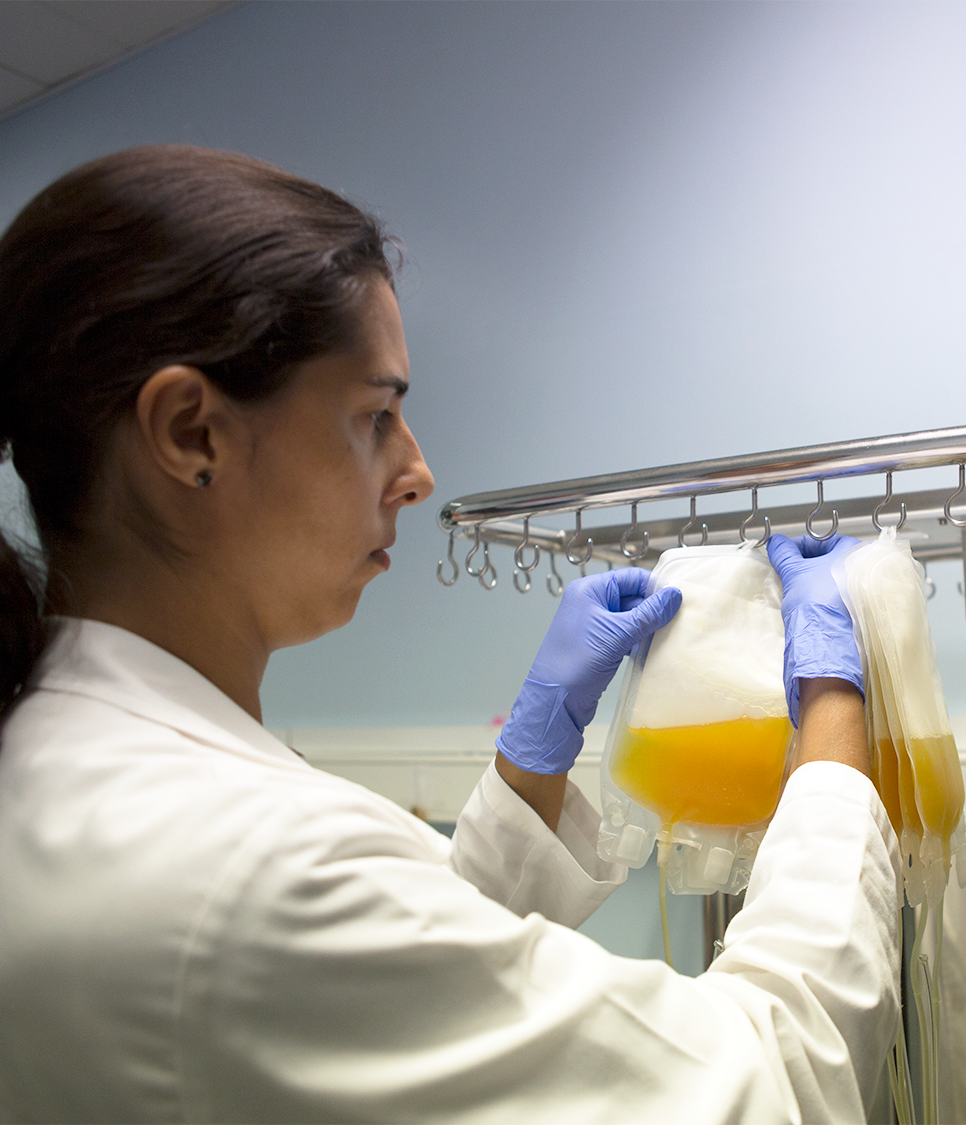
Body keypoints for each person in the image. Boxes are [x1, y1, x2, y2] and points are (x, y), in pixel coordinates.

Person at [0, 146, 900, 1123]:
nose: (418, 471)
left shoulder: (62, 768)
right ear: (191, 432)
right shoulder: (250, 872)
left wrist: (530, 763)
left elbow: (400, 968)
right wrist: (833, 710)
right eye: (376, 414)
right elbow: (771, 1082)